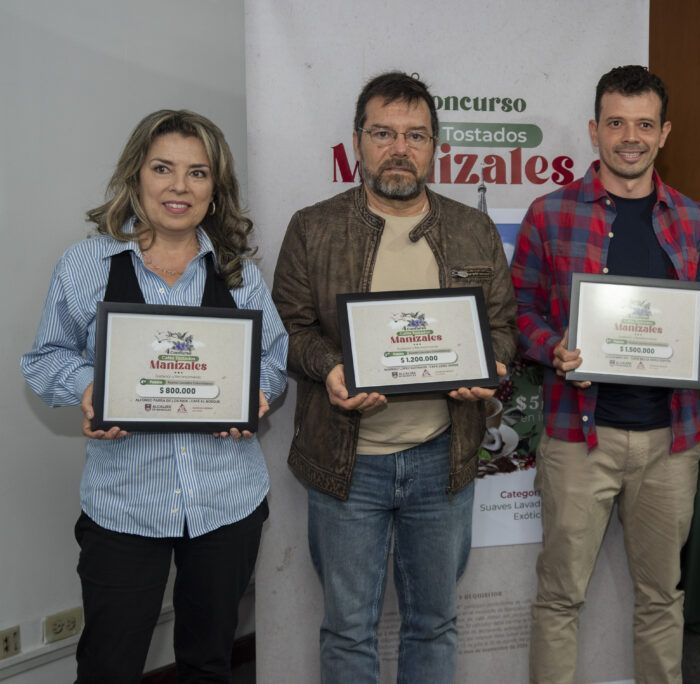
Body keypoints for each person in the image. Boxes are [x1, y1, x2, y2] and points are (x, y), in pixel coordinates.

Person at [21, 109, 288, 683]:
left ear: (215, 189)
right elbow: (44, 359)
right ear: (135, 175)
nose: (178, 187)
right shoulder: (85, 264)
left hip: (225, 503)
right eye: (163, 168)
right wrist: (90, 389)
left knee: (209, 663)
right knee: (108, 667)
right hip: (125, 504)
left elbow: (273, 359)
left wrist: (255, 397)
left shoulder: (240, 272)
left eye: (197, 173)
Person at [272, 71, 516, 683]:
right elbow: (287, 329)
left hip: (443, 457)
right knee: (349, 630)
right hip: (347, 463)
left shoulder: (472, 229)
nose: (399, 148)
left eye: (415, 135)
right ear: (357, 141)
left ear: (436, 146)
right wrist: (329, 366)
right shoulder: (312, 227)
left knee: (434, 622)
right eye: (383, 133)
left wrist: (493, 368)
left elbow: (503, 327)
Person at [511, 65, 700, 684]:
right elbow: (518, 311)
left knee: (661, 598)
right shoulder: (550, 213)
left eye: (645, 124)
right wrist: (555, 348)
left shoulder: (693, 218)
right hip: (579, 439)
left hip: (670, 442)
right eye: (617, 123)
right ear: (595, 130)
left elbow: (692, 325)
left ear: (664, 133)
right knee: (560, 597)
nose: (631, 137)